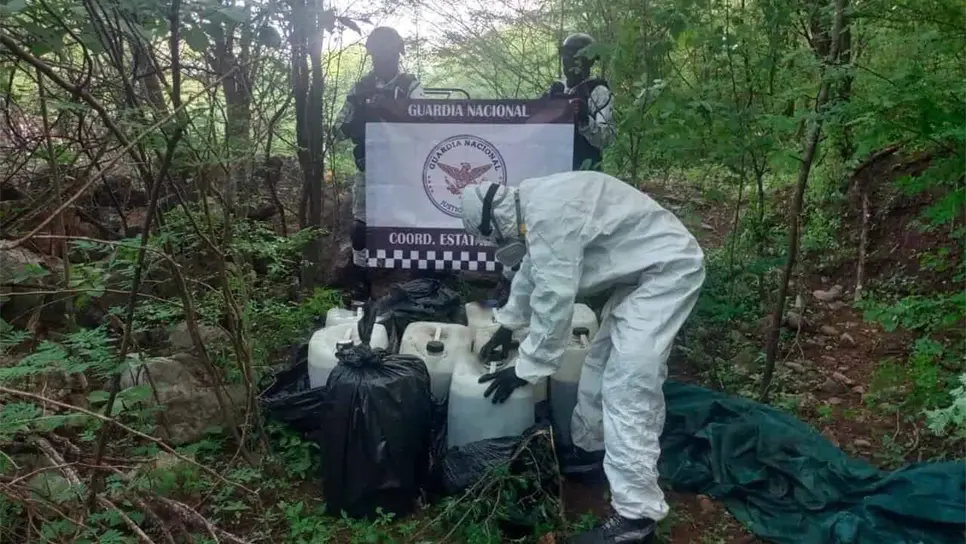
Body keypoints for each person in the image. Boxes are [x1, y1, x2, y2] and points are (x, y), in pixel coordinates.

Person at [461, 173, 705, 543]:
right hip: (640, 275)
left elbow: (554, 298)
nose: (504, 243)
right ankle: (592, 453)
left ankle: (636, 519)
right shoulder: (534, 204)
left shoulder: (546, 214)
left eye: (496, 237)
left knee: (629, 388)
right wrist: (507, 326)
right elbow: (533, 270)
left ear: (494, 219)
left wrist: (526, 368)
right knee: (599, 365)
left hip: (667, 273)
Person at [335, 27, 424, 300]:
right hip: (369, 165)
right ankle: (362, 279)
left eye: (388, 56)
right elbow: (338, 129)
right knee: (361, 224)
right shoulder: (361, 88)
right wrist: (355, 121)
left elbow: (424, 124)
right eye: (378, 56)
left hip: (404, 168)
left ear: (398, 55)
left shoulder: (410, 86)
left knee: (410, 222)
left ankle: (410, 278)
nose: (383, 61)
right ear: (372, 56)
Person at [545, 33, 615, 172]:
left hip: (585, 173)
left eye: (573, 56)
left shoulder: (598, 91)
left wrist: (584, 119)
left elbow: (607, 139)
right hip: (554, 171)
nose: (567, 60)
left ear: (588, 61)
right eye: (565, 55)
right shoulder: (556, 89)